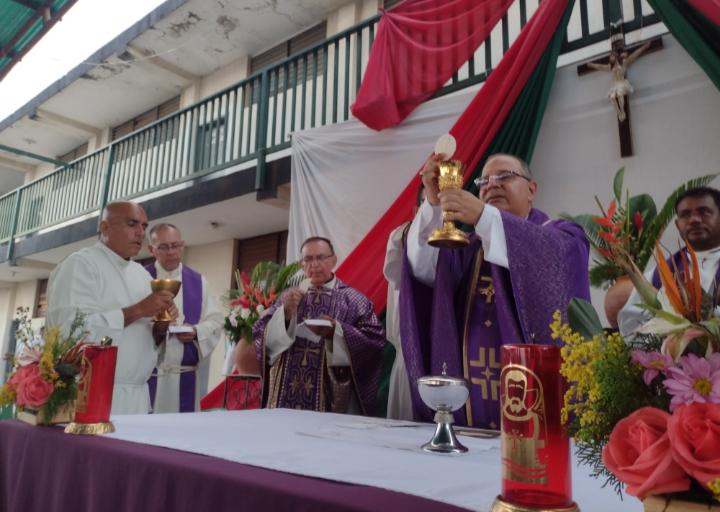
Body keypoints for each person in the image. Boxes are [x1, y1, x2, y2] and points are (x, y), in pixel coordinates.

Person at [401, 153, 591, 429]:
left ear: (532, 190)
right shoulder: (466, 248)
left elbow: (552, 260)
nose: (492, 184)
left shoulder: (563, 236)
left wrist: (482, 215)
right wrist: (433, 204)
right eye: (484, 181)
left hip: (536, 419)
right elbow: (422, 270)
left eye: (504, 176)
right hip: (467, 420)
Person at [47, 201, 177, 415]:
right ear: (105, 228)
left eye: (144, 226)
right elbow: (72, 333)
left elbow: (144, 342)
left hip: (137, 394)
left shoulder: (142, 274)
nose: (140, 233)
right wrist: (138, 310)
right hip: (92, 393)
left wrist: (161, 327)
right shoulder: (81, 264)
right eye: (132, 224)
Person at [252, 237, 385, 416]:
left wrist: (337, 333)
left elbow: (374, 343)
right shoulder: (289, 296)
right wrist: (285, 314)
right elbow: (260, 334)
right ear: (302, 264)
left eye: (321, 257)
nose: (314, 265)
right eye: (308, 259)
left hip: (333, 397)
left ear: (333, 260)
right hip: (286, 394)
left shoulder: (354, 300)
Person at [619, 187, 720, 337]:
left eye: (704, 212)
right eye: (685, 215)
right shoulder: (657, 275)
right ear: (678, 224)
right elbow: (630, 325)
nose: (694, 220)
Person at [145, 224, 224, 413]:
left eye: (176, 245)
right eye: (164, 247)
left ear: (182, 244)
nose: (171, 252)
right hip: (148, 377)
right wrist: (159, 326)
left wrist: (196, 331)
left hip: (185, 377)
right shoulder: (141, 278)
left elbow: (216, 321)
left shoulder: (198, 282)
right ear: (151, 250)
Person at [383, 183, 424, 420]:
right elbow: (392, 270)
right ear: (416, 211)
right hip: (409, 357)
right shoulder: (403, 239)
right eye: (429, 203)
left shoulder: (460, 245)